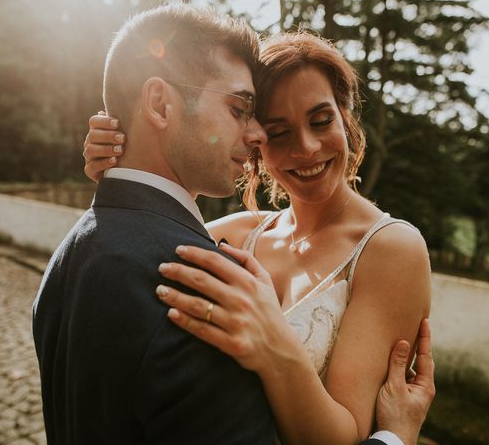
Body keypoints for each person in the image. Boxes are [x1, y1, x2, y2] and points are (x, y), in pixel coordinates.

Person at [82, 25, 434, 445]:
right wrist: (122, 167)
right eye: (279, 132)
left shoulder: (391, 249)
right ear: (255, 141)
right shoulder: (235, 234)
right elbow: (145, 239)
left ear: (345, 115)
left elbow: (349, 436)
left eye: (321, 120)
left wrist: (275, 348)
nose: (305, 147)